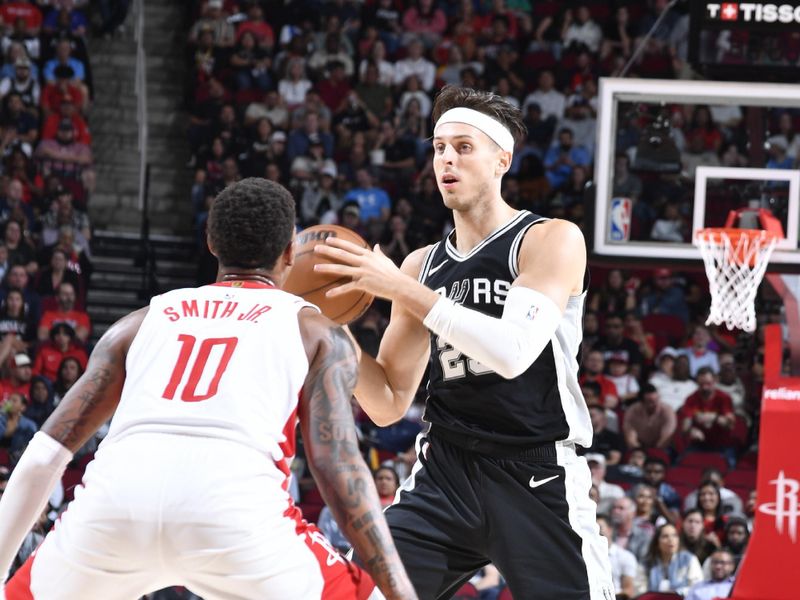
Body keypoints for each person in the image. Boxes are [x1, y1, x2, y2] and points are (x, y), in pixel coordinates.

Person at [0, 178, 417, 600]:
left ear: (211, 243)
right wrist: (399, 592)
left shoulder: (140, 321)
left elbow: (45, 454)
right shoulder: (316, 332)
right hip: (237, 520)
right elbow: (337, 465)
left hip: (115, 510)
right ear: (291, 251)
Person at [315, 85, 613, 599]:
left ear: (503, 159)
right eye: (439, 148)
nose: (447, 159)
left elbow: (513, 353)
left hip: (535, 472)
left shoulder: (550, 239)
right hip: (446, 472)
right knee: (355, 594)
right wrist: (328, 325)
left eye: (464, 147)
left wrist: (400, 289)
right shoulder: (420, 265)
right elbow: (387, 402)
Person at [635, 523, 703, 595]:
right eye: (665, 536)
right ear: (657, 542)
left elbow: (697, 588)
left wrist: (676, 593)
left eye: (674, 535)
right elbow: (639, 591)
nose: (671, 539)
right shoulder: (647, 563)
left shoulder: (689, 559)